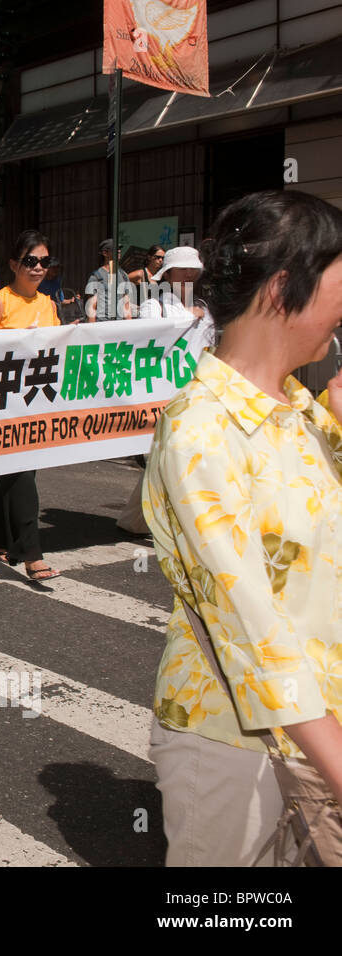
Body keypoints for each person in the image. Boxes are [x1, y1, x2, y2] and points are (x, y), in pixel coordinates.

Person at [143, 189, 342, 866]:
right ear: (286, 289)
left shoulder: (305, 410)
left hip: (318, 721)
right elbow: (246, 614)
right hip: (234, 742)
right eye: (340, 286)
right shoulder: (201, 429)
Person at [0, 230, 61, 581]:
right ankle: (31, 553)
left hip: (35, 402)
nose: (38, 267)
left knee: (16, 472)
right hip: (3, 403)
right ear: (13, 264)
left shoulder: (49, 304)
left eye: (44, 261)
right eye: (30, 261)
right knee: (21, 471)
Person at [137, 246, 204, 323]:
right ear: (167, 275)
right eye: (182, 269)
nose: (189, 274)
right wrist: (188, 314)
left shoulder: (204, 306)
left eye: (193, 269)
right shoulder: (152, 307)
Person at [85, 238, 131, 321]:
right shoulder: (96, 277)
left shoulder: (123, 275)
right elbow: (92, 307)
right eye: (115, 249)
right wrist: (92, 330)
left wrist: (129, 325)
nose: (119, 251)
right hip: (103, 325)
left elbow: (126, 304)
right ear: (105, 253)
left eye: (119, 249)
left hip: (120, 325)